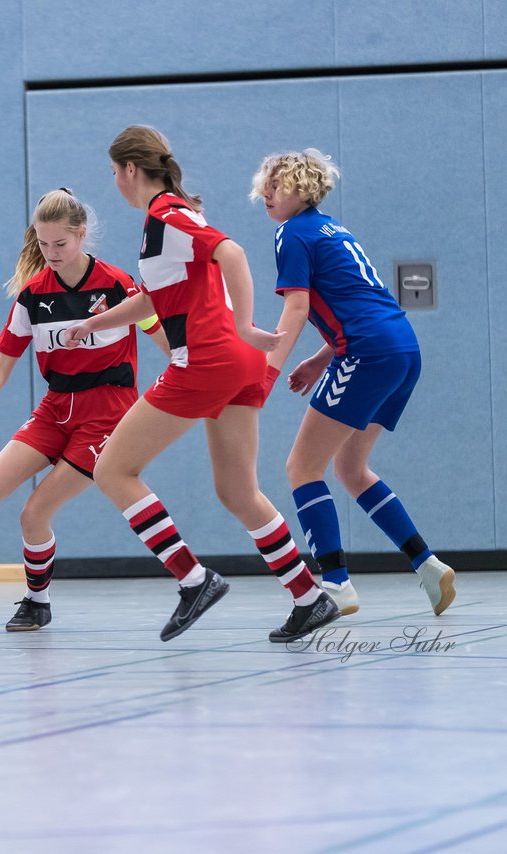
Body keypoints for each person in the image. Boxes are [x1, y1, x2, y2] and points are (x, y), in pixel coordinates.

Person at [64, 125, 340, 643]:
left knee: (112, 470)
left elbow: (231, 254)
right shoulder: (171, 215)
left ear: (128, 170)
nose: (114, 182)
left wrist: (242, 324)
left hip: (206, 361)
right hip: (237, 366)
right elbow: (154, 299)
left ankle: (194, 580)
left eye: (113, 172)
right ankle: (309, 597)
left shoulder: (167, 215)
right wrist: (91, 325)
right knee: (237, 490)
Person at [0, 188, 168, 631]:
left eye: (60, 244)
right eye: (43, 245)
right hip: (54, 408)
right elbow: (3, 362)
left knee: (34, 513)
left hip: (107, 413)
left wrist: (187, 377)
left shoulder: (119, 285)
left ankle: (37, 602)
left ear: (81, 235)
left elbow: (161, 338)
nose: (51, 253)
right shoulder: (32, 296)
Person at [252, 148, 456, 617]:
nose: (266, 193)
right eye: (264, 183)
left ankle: (337, 584)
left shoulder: (291, 234)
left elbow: (298, 308)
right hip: (401, 348)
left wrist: (267, 372)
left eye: (277, 185)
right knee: (350, 468)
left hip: (367, 353)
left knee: (302, 468)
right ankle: (428, 566)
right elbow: (361, 302)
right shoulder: (336, 229)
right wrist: (322, 360)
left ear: (302, 190)